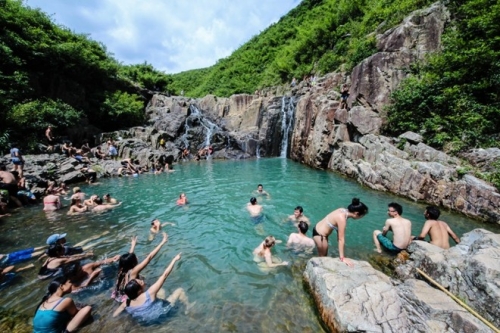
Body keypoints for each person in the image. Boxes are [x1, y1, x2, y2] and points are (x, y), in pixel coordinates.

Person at [113, 252, 195, 320]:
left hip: (145, 320)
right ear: (139, 291)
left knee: (161, 291)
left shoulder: (126, 302)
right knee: (179, 291)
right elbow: (165, 275)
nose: (142, 281)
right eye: (140, 282)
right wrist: (174, 259)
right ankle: (188, 307)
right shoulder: (150, 293)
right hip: (161, 315)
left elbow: (115, 315)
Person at [312, 198, 368, 265]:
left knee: (323, 256)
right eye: (362, 216)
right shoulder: (342, 219)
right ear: (356, 213)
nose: (361, 217)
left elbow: (337, 230)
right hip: (320, 236)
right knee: (322, 259)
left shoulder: (342, 210)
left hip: (317, 229)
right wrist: (342, 258)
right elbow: (341, 239)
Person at [112, 233, 168, 302]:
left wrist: (133, 245)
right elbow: (149, 258)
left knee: (143, 278)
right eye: (136, 258)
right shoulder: (133, 271)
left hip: (120, 294)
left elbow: (128, 259)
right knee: (161, 292)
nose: (137, 258)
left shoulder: (122, 269)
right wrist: (162, 242)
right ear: (133, 263)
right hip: (129, 298)